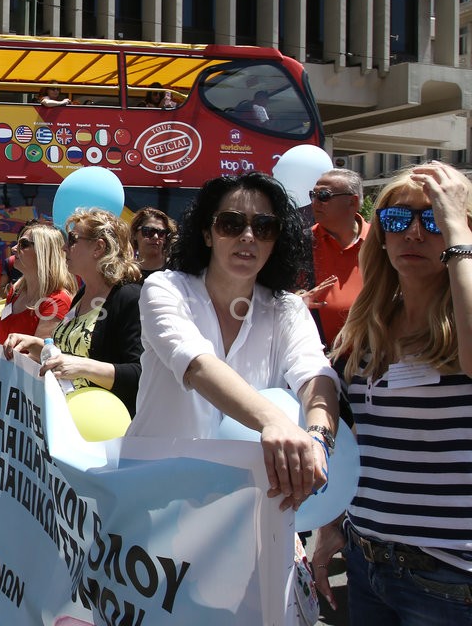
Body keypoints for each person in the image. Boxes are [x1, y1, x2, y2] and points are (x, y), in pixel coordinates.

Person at [310, 162, 472, 625]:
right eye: (398, 220)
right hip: (367, 563)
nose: (414, 233)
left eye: (434, 218)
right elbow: (357, 437)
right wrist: (330, 523)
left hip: (451, 578)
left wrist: (458, 225)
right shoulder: (368, 326)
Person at [127, 172, 339, 512]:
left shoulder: (285, 309)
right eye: (231, 223)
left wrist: (317, 438)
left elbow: (315, 373)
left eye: (265, 227)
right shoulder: (165, 288)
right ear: (207, 234)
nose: (248, 236)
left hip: (245, 511)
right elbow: (196, 364)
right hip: (153, 503)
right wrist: (275, 422)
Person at [2, 208, 144, 416]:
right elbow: (70, 355)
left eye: (72, 240)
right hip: (68, 420)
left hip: (104, 429)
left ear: (98, 247)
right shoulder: (83, 293)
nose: (64, 247)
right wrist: (36, 345)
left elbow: (139, 374)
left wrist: (83, 366)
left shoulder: (129, 297)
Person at [302, 169, 369, 349]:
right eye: (313, 195)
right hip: (322, 363)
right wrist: (297, 300)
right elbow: (272, 297)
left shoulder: (380, 242)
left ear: (352, 202)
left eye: (324, 195)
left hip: (377, 363)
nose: (315, 202)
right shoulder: (300, 243)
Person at [0, 221, 75, 343]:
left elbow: (39, 357)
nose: (14, 248)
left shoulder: (58, 301)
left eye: (24, 244)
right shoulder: (16, 291)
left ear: (44, 252)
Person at [129, 207, 177, 278]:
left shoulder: (175, 271)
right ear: (135, 234)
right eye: (149, 231)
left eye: (161, 233)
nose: (155, 237)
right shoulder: (126, 272)